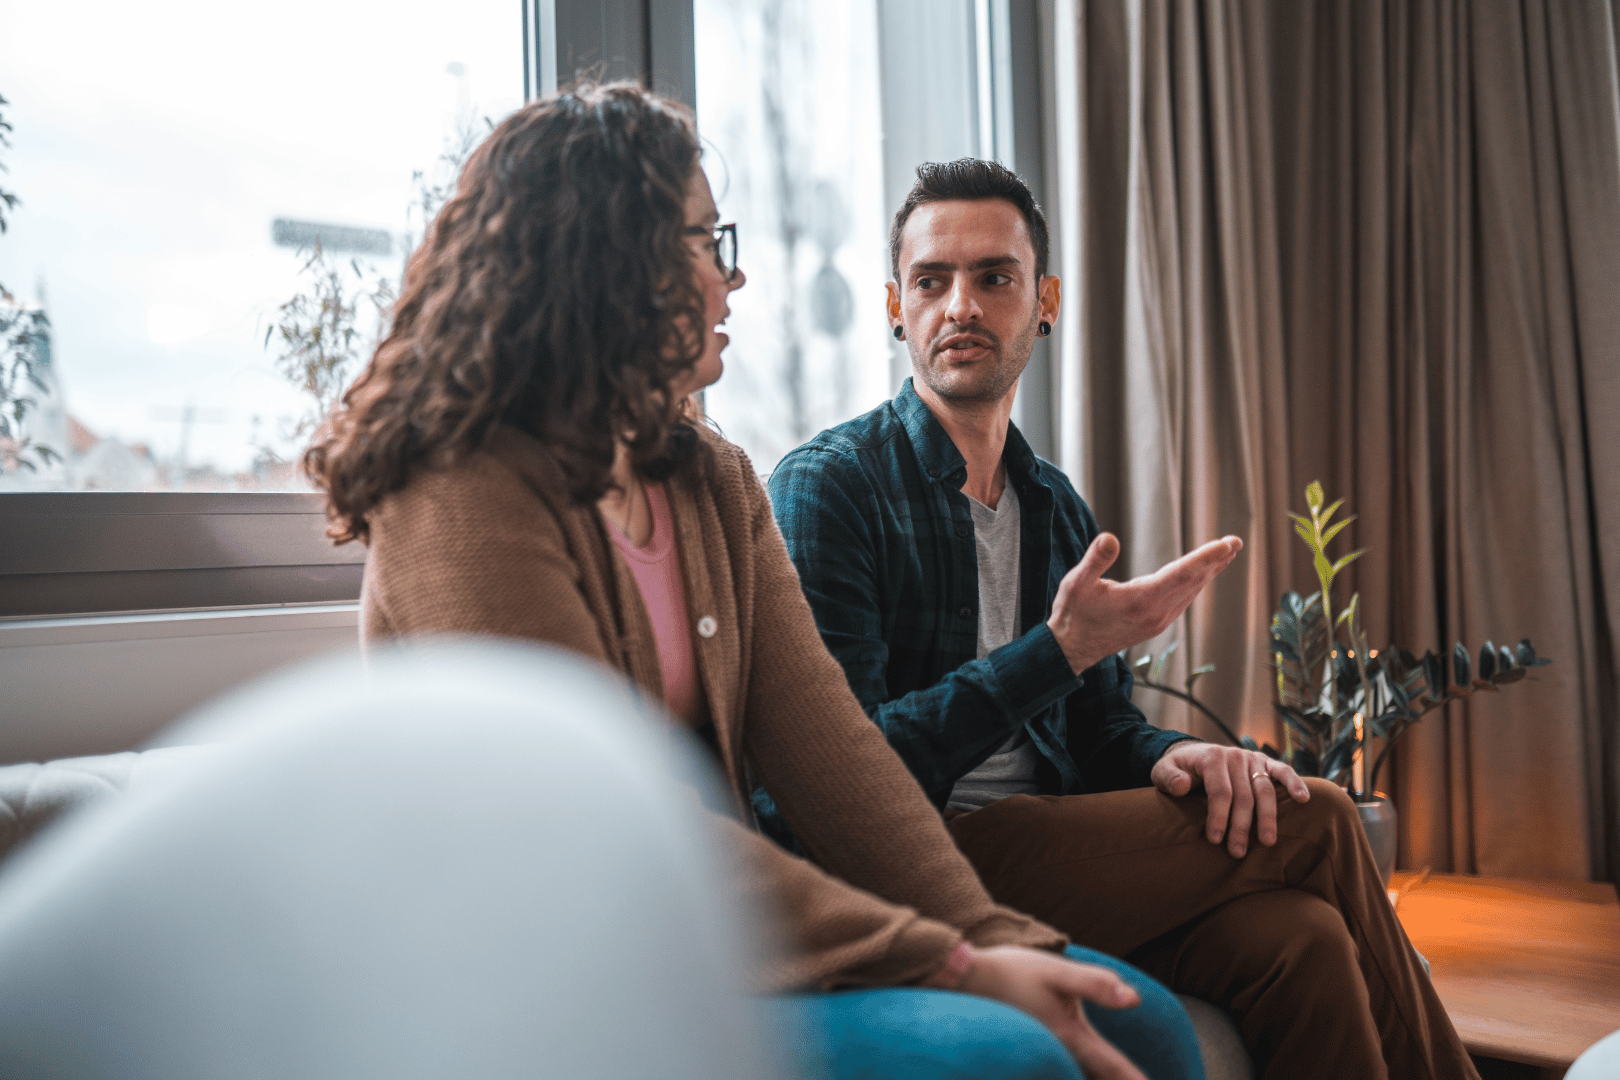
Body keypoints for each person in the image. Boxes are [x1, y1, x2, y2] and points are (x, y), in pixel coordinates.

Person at [302, 84, 1204, 1080]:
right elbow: (606, 828)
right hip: (565, 984)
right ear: (609, 267)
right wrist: (947, 963)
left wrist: (996, 940)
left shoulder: (711, 478)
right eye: (705, 244)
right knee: (1004, 1057)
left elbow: (834, 754)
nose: (733, 281)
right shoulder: (462, 487)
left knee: (1143, 1025)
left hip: (728, 951)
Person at [765, 157, 1482, 1080]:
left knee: (1301, 940)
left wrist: (1167, 756)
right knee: (1321, 817)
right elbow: (842, 772)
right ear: (895, 306)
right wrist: (1052, 651)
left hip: (1051, 842)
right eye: (931, 281)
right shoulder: (831, 488)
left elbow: (1100, 728)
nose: (962, 307)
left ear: (1045, 298)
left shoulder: (1054, 506)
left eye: (995, 277)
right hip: (918, 860)